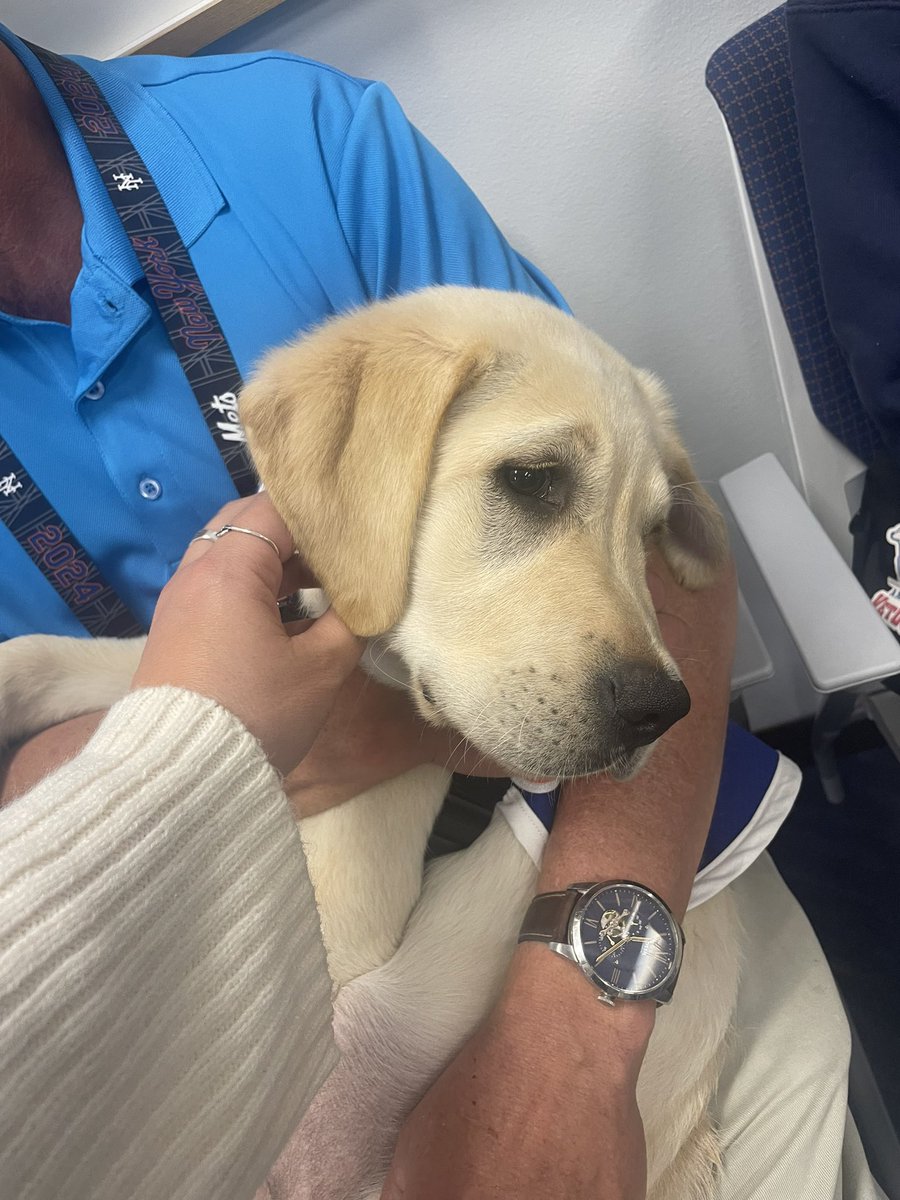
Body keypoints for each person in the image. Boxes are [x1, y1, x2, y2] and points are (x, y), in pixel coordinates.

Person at [0, 21, 882, 1200]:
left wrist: (571, 1045)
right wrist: (228, 743)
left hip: (588, 895)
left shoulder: (305, 145)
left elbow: (667, 548)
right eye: (526, 482)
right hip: (151, 996)